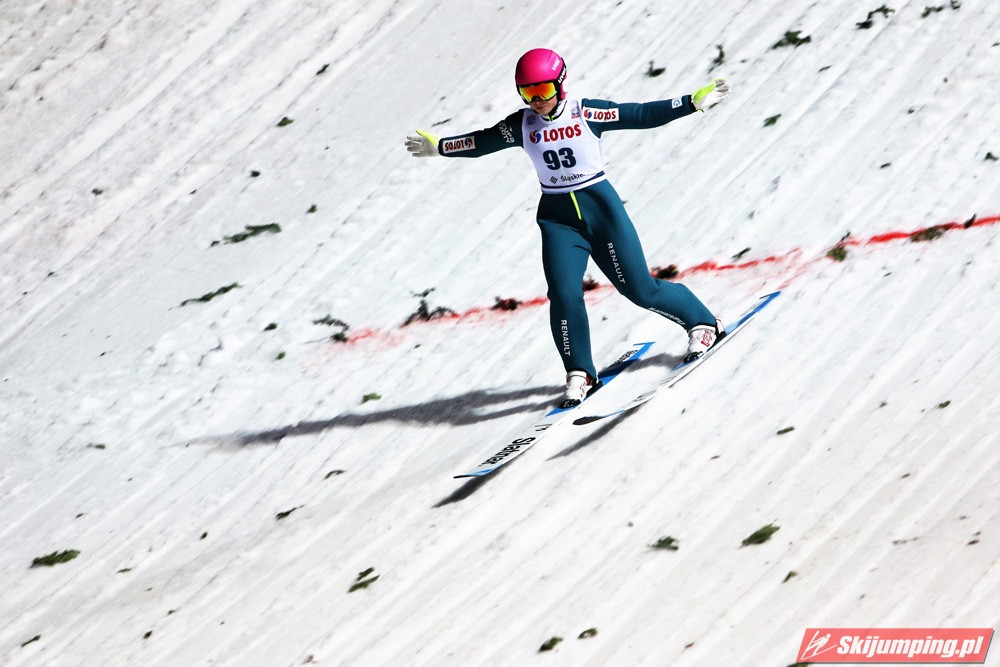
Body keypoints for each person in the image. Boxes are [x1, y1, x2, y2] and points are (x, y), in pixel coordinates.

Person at [406, 48, 731, 408]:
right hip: (558, 219)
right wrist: (441, 147)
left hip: (601, 212)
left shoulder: (585, 112)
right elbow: (481, 142)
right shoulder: (522, 124)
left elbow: (639, 114)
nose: (537, 101)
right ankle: (580, 371)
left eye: (543, 91)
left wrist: (690, 103)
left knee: (640, 290)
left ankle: (702, 322)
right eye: (528, 93)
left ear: (560, 84)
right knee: (563, 294)